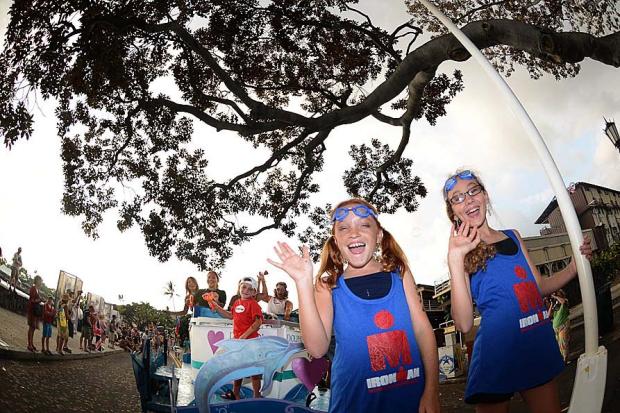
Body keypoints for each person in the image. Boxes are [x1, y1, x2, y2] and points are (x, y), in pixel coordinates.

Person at [269, 198, 440, 413]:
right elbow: (317, 349)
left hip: (411, 400)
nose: (354, 233)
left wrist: (432, 390)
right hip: (353, 403)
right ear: (336, 241)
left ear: (379, 235)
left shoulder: (400, 273)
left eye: (364, 225)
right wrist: (303, 283)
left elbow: (423, 330)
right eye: (344, 228)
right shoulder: (328, 286)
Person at [444, 169, 592, 413]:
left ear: (485, 195)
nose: (468, 200)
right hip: (495, 354)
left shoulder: (513, 236)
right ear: (453, 211)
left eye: (473, 191)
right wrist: (454, 260)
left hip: (534, 343)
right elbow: (463, 323)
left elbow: (539, 288)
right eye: (457, 198)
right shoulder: (460, 253)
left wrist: (573, 268)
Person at [212, 277, 263, 400]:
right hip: (238, 342)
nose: (246, 290)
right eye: (244, 287)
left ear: (254, 292)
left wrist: (244, 336)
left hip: (250, 342)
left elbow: (258, 322)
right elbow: (230, 316)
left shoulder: (253, 304)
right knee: (237, 369)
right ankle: (235, 394)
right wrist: (216, 306)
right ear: (239, 288)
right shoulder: (236, 302)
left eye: (250, 289)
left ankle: (257, 396)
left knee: (254, 371)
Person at [550, 289, 570, 363]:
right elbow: (549, 315)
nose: (555, 294)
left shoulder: (565, 300)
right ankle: (562, 359)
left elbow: (563, 302)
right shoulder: (555, 304)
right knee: (559, 345)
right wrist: (551, 304)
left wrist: (555, 296)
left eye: (557, 292)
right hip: (556, 327)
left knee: (563, 342)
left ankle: (565, 359)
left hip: (563, 324)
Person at [26, 275, 43, 352]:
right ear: (37, 281)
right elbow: (32, 300)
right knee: (31, 327)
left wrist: (39, 300)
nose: (41, 282)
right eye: (40, 280)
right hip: (32, 310)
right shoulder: (33, 288)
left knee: (33, 328)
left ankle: (31, 343)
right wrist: (39, 300)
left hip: (35, 311)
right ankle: (29, 344)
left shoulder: (37, 289)